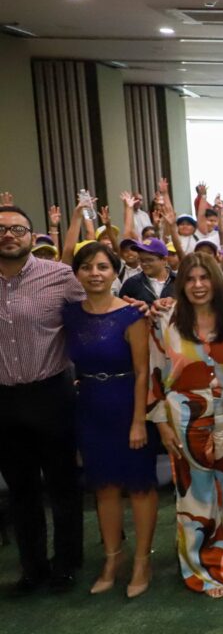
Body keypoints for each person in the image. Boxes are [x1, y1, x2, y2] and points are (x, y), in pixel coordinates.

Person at [148, 253, 223, 598]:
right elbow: (155, 374)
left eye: (205, 278)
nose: (198, 285)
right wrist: (161, 424)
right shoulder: (165, 318)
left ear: (216, 281)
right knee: (194, 497)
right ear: (181, 284)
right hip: (184, 415)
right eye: (190, 279)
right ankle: (199, 570)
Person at [0, 205, 86, 596]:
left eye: (18, 228)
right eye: (1, 229)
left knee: (63, 486)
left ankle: (66, 564)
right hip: (3, 400)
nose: (9, 235)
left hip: (51, 393)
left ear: (32, 237)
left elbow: (94, 313)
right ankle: (32, 568)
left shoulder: (60, 276)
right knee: (21, 491)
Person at [64, 243, 158, 598]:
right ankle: (111, 559)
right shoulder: (70, 314)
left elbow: (141, 371)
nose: (95, 273)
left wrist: (138, 421)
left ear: (116, 272)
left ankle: (141, 561)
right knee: (103, 487)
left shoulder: (132, 315)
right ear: (77, 274)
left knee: (139, 487)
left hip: (127, 404)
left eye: (103, 266)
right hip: (89, 405)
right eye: (87, 267)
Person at [119, 237, 174, 305]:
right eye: (141, 260)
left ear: (164, 260)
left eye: (149, 260)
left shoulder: (179, 281)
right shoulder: (131, 284)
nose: (144, 264)